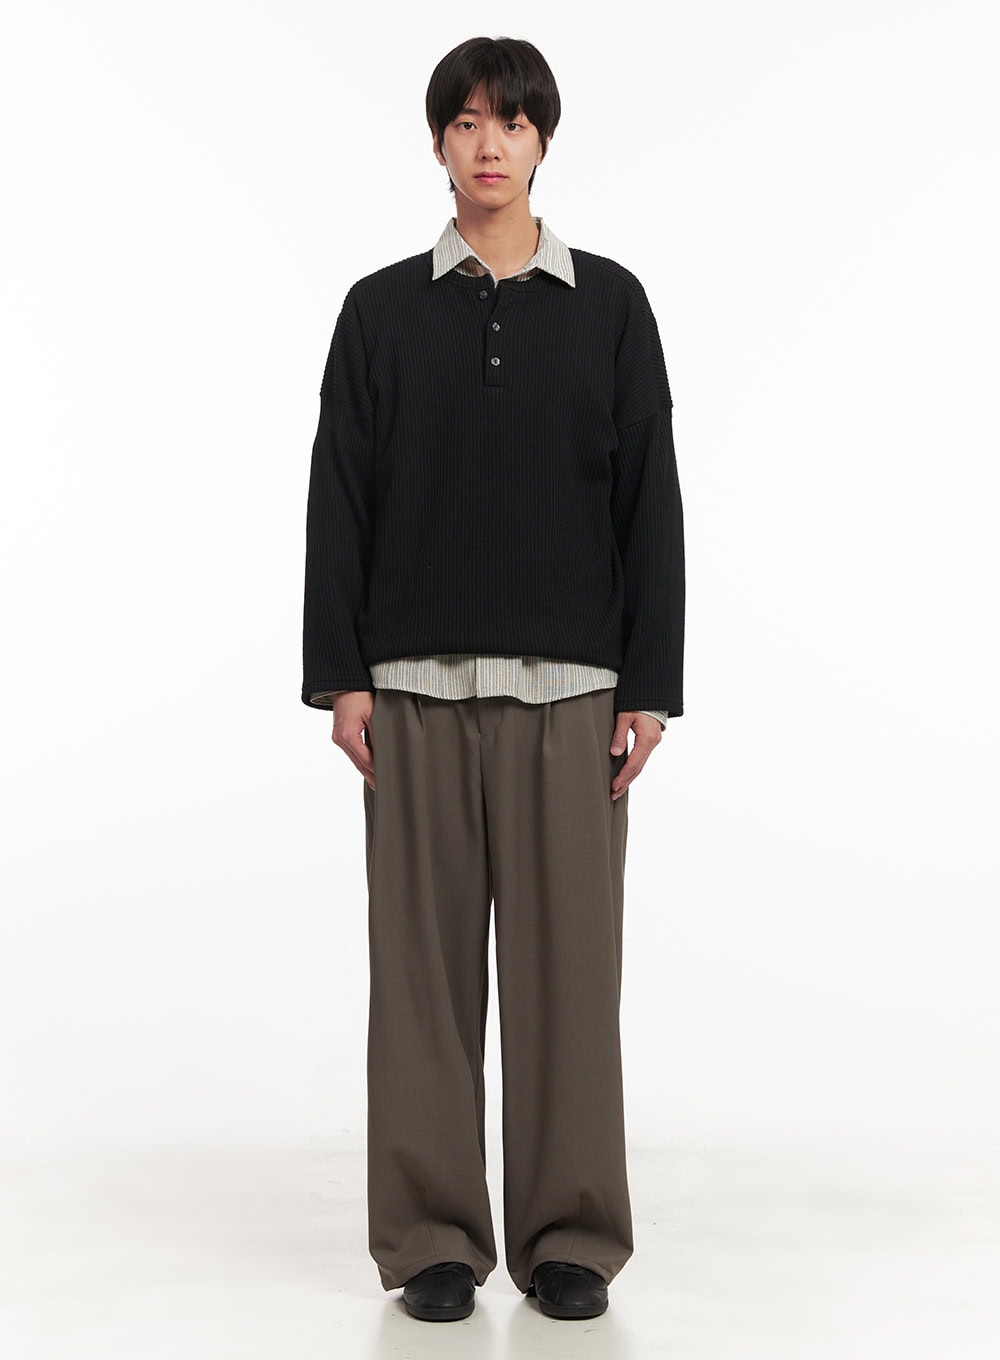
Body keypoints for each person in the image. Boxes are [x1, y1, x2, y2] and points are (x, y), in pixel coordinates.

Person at [301, 34, 685, 1323]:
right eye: (465, 122)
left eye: (510, 123)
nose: (488, 144)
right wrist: (340, 674)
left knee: (570, 979)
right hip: (411, 684)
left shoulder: (611, 305)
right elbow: (340, 494)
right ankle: (432, 1242)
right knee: (420, 979)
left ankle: (570, 1238)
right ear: (437, 143)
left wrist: (650, 684)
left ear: (542, 141)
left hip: (574, 689)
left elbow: (650, 499)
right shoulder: (381, 310)